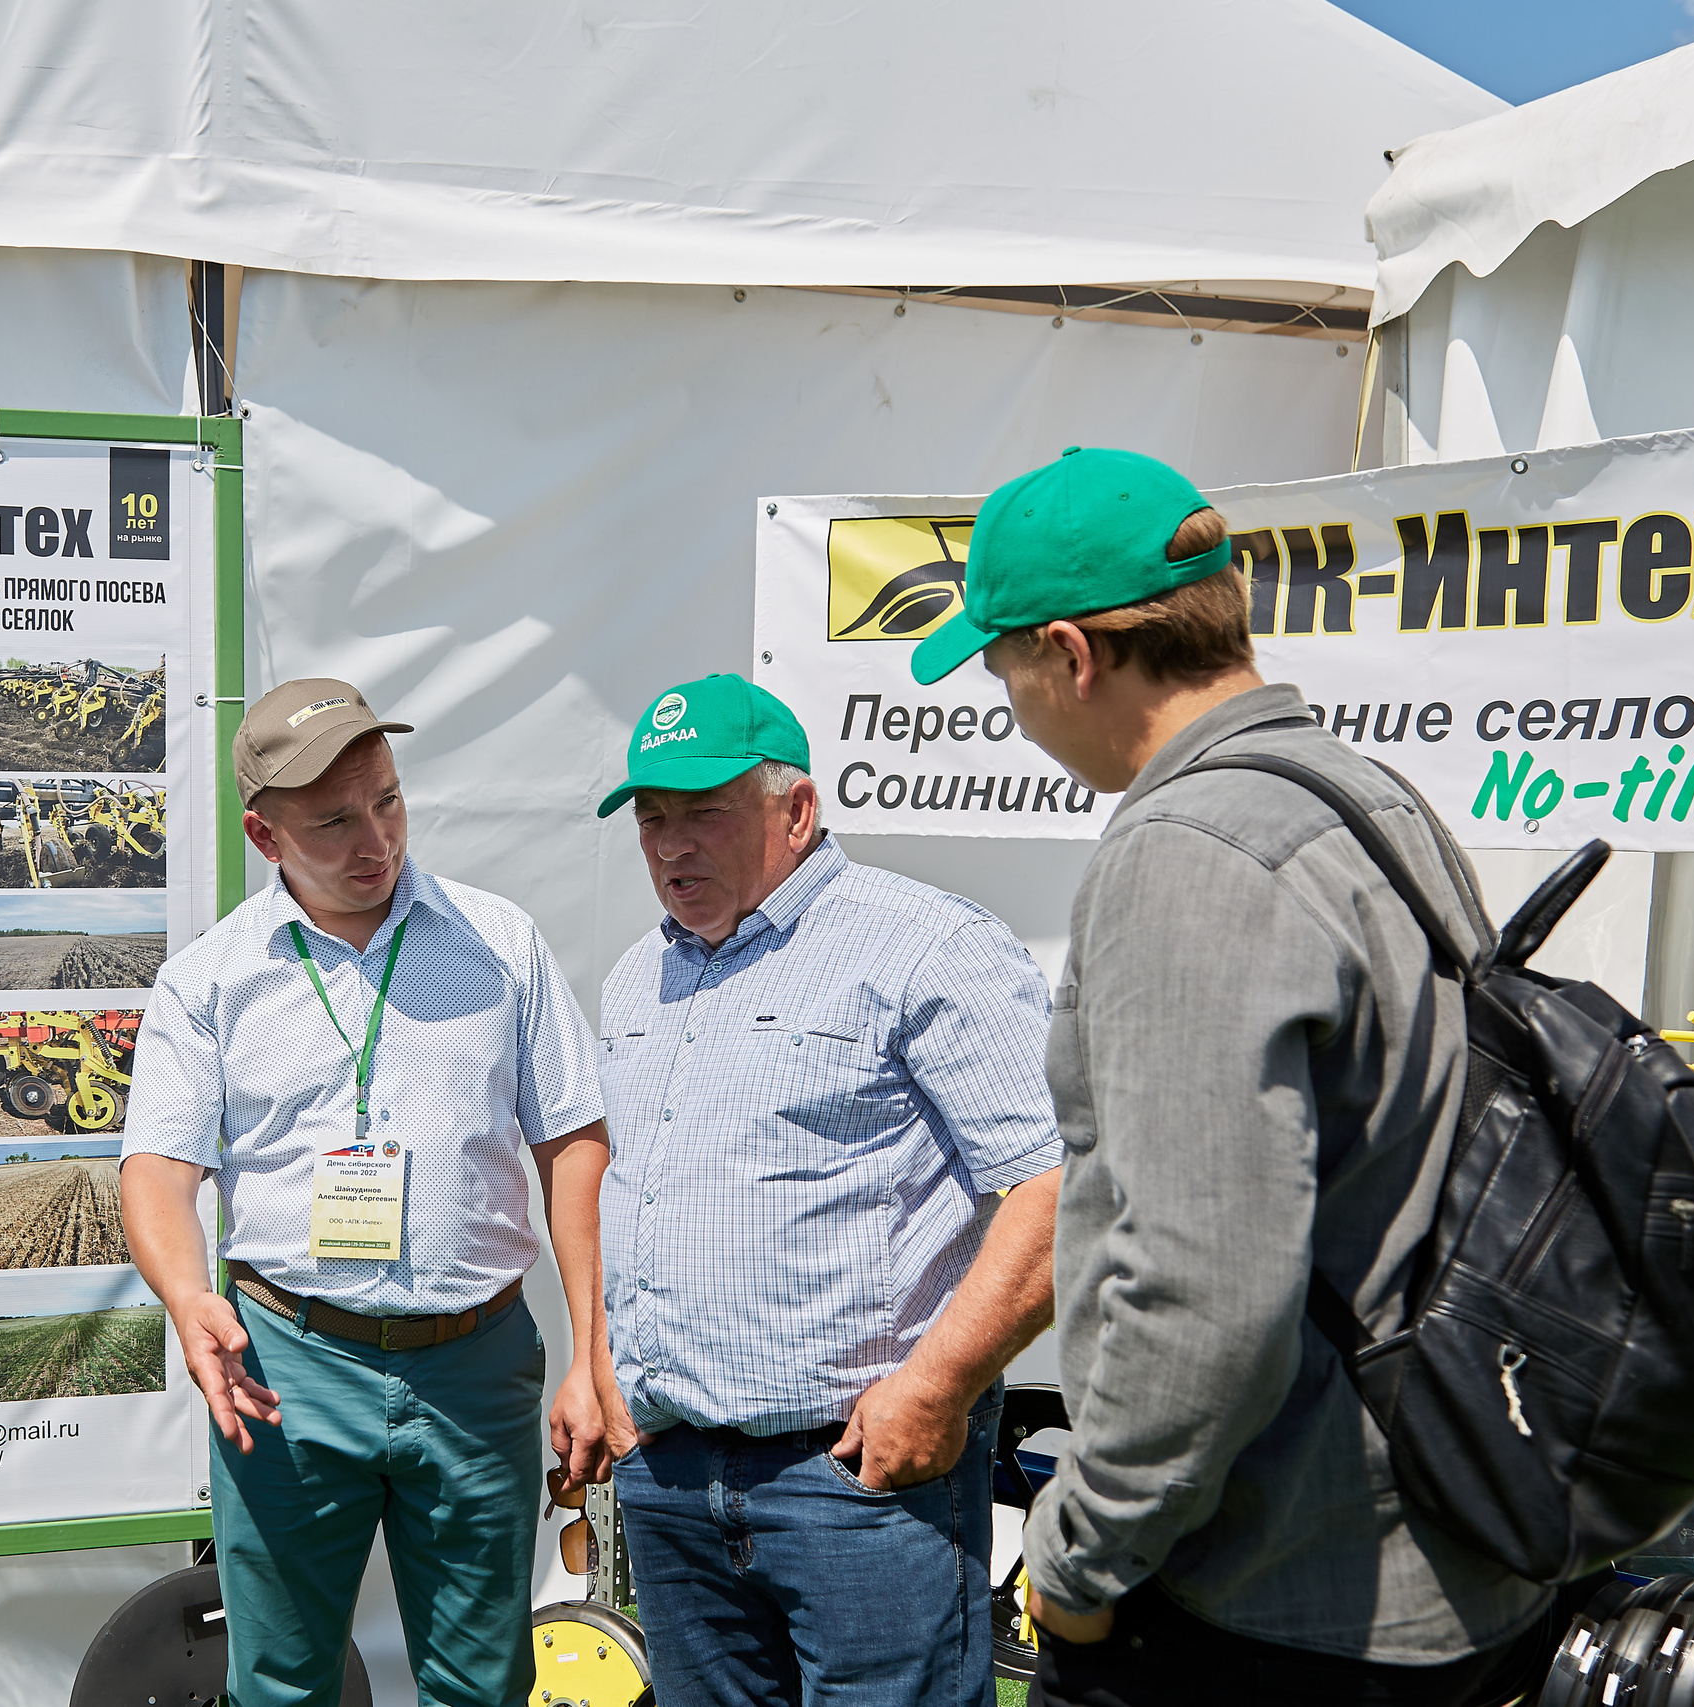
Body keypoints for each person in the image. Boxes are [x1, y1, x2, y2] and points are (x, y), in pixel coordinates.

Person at [916, 446, 1558, 1703]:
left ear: (1071, 655)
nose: (1009, 708)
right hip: (1445, 1528)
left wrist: (1080, 1556)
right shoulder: (1366, 797)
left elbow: (1201, 1284)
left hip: (1275, 1591)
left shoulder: (1187, 851)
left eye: (1000, 670)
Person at [120, 678, 610, 1707]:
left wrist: (592, 1350)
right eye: (334, 822)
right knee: (281, 1682)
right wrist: (186, 1295)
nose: (375, 840)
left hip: (474, 1362)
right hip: (286, 1368)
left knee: (483, 1682)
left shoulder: (498, 943)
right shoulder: (210, 980)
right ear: (264, 836)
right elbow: (158, 1167)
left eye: (386, 801)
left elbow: (573, 1142)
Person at [577, 671, 1063, 1707]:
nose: (671, 846)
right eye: (652, 818)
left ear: (795, 810)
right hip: (671, 1474)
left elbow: (1059, 1191)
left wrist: (935, 1389)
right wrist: (606, 1367)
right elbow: (637, 1190)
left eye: (704, 813)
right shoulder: (637, 977)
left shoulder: (927, 944)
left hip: (855, 1477)